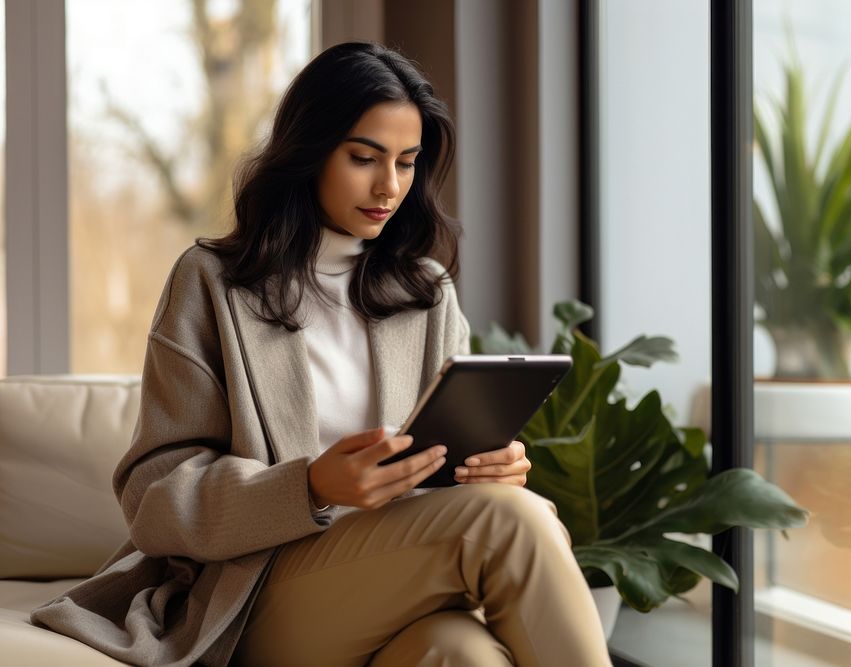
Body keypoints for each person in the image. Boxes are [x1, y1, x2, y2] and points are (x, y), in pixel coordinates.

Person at [30, 41, 612, 666]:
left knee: (462, 653)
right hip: (256, 594)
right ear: (308, 152)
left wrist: (491, 466)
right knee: (505, 521)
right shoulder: (212, 283)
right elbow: (155, 497)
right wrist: (308, 486)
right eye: (364, 158)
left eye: (407, 163)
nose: (389, 186)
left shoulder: (426, 293)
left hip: (403, 580)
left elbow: (445, 470)